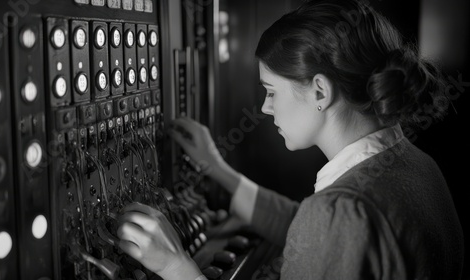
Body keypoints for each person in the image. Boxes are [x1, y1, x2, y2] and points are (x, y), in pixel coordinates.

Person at [116, 0, 464, 279]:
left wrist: (175, 267)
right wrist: (218, 170)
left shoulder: (340, 213)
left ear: (319, 91)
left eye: (271, 91)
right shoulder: (416, 165)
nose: (266, 108)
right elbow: (306, 231)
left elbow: (323, 227)